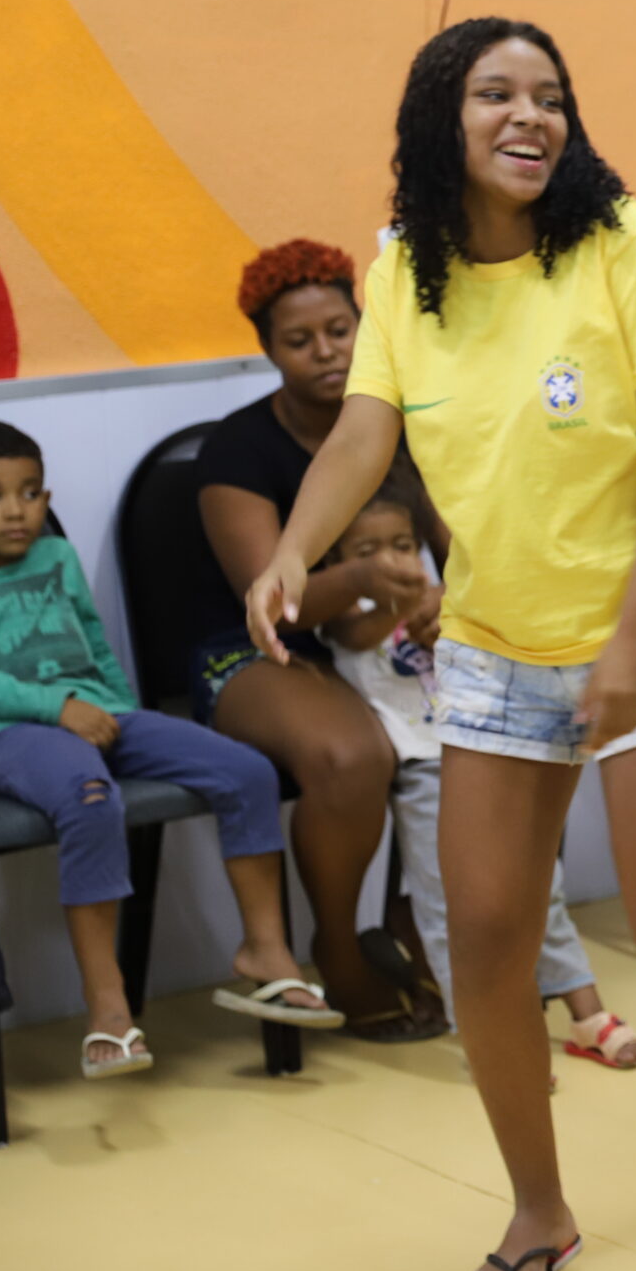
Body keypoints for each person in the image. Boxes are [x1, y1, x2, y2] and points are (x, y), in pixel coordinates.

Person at [246, 16, 636, 1271]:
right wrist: (293, 550)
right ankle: (540, 1199)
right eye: (495, 94)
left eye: (551, 95)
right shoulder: (408, 267)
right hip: (496, 643)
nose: (530, 115)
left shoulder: (621, 239)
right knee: (485, 938)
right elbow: (367, 427)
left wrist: (633, 636)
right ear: (440, 120)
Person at [0, 422, 340, 1079]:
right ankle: (107, 1004)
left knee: (248, 770)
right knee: (90, 796)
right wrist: (59, 709)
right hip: (8, 736)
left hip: (104, 715)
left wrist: (120, 713)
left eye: (29, 492)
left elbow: (92, 642)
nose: (17, 509)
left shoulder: (56, 559)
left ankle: (266, 952)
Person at [187, 239, 443, 1040]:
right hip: (254, 649)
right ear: (267, 350)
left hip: (377, 638)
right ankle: (339, 946)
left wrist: (448, 597)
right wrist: (379, 577)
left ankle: (423, 915)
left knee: (512, 718)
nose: (327, 353)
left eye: (340, 330)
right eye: (300, 341)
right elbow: (275, 603)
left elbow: (453, 538)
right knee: (351, 755)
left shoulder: (401, 421)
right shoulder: (236, 449)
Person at [316, 479, 636, 1069]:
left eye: (401, 545)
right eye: (366, 554)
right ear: (339, 564)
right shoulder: (344, 621)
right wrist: (404, 600)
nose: (390, 561)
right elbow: (356, 631)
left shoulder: (445, 596)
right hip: (421, 770)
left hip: (481, 751)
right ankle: (482, 1035)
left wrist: (447, 599)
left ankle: (587, 1012)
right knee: (447, 906)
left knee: (540, 882)